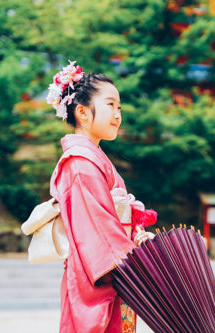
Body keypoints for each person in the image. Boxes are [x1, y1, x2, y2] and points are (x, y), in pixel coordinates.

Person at [46, 61, 155, 333]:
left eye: (119, 107)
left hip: (118, 271)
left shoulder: (94, 160)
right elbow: (98, 233)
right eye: (110, 105)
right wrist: (134, 262)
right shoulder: (80, 165)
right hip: (100, 274)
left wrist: (138, 238)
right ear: (82, 112)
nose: (118, 114)